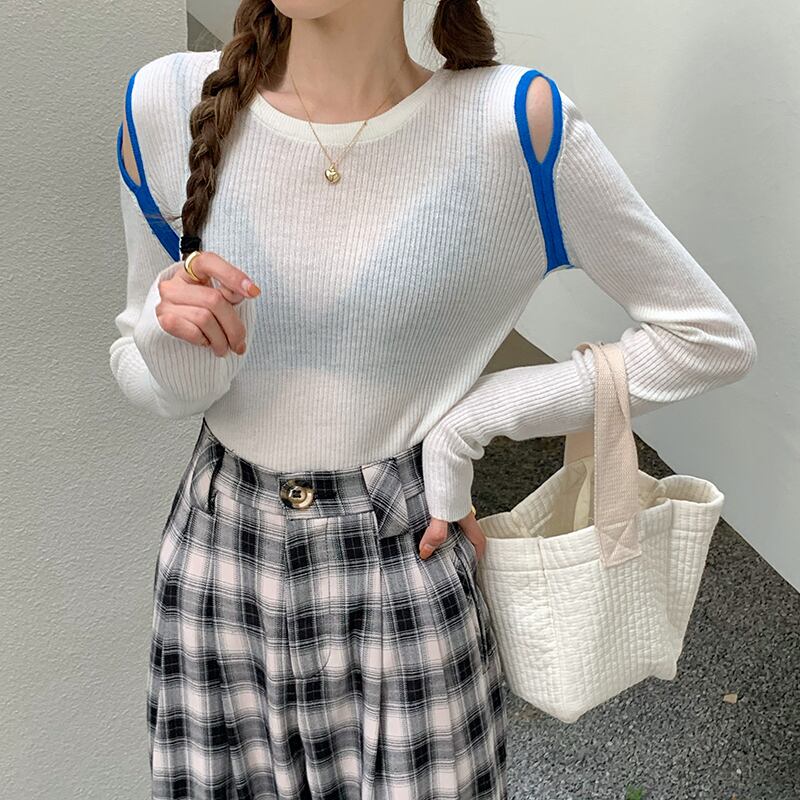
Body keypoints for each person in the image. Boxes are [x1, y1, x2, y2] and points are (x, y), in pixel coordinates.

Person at [111, 1, 757, 798]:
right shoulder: (162, 104)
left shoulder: (512, 125)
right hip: (216, 569)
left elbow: (708, 338)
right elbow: (140, 365)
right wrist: (179, 350)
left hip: (405, 564)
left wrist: (472, 422)